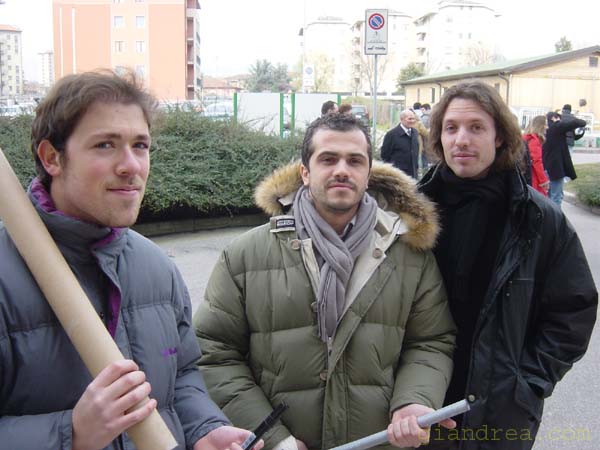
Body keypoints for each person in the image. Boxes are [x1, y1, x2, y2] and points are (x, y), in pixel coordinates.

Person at [0, 70, 258, 450]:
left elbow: (183, 375)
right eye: (105, 145)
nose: (132, 166)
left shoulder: (157, 268)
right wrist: (71, 433)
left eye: (140, 145)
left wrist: (203, 428)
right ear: (52, 157)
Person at [194, 113, 457, 450]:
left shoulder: (409, 256)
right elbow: (214, 352)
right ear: (305, 172)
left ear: (368, 173)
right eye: (328, 159)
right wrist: (272, 438)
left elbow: (431, 340)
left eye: (355, 161)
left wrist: (415, 400)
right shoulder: (245, 255)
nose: (342, 170)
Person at [418, 81, 597, 450]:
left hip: (501, 413)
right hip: (418, 407)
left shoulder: (538, 218)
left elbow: (573, 309)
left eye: (476, 127)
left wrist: (527, 383)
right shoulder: (412, 214)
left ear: (499, 136)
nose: (462, 140)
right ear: (439, 137)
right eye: (451, 128)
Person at [542, 111, 587, 207]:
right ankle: (556, 216)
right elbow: (580, 122)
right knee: (556, 197)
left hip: (546, 166)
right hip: (556, 167)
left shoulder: (544, 130)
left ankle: (549, 215)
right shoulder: (557, 127)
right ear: (554, 118)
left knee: (549, 196)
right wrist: (559, 121)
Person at [381, 109, 420, 178]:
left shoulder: (415, 133)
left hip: (413, 174)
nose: (412, 121)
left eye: (413, 119)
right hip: (398, 175)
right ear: (402, 119)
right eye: (410, 119)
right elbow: (385, 155)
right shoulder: (391, 135)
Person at [522, 115, 550, 196]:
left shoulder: (526, 138)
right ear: (540, 126)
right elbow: (536, 161)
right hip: (533, 177)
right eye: (545, 124)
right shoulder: (534, 140)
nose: (547, 127)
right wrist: (544, 180)